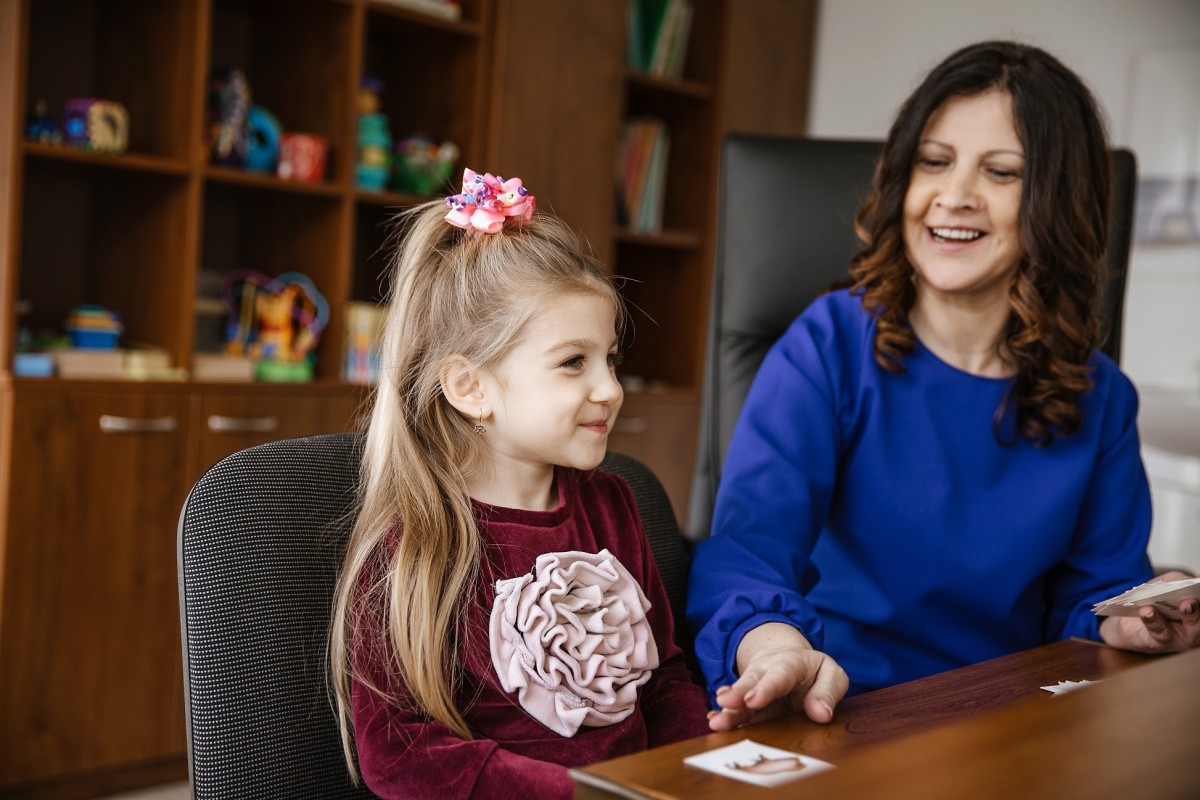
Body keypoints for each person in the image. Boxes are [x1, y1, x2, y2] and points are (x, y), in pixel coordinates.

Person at [687, 40, 1200, 733]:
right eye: (935, 161)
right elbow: (747, 554)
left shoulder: (1100, 396)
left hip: (1015, 730)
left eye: (1001, 172)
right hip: (836, 705)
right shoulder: (829, 344)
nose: (954, 196)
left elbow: (1093, 597)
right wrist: (776, 649)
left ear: (1055, 201)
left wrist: (1135, 617)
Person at [329, 169, 711, 799]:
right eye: (572, 363)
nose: (610, 389)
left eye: (610, 359)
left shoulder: (615, 505)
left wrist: (697, 764)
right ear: (471, 388)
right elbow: (399, 753)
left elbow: (665, 678)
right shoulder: (416, 543)